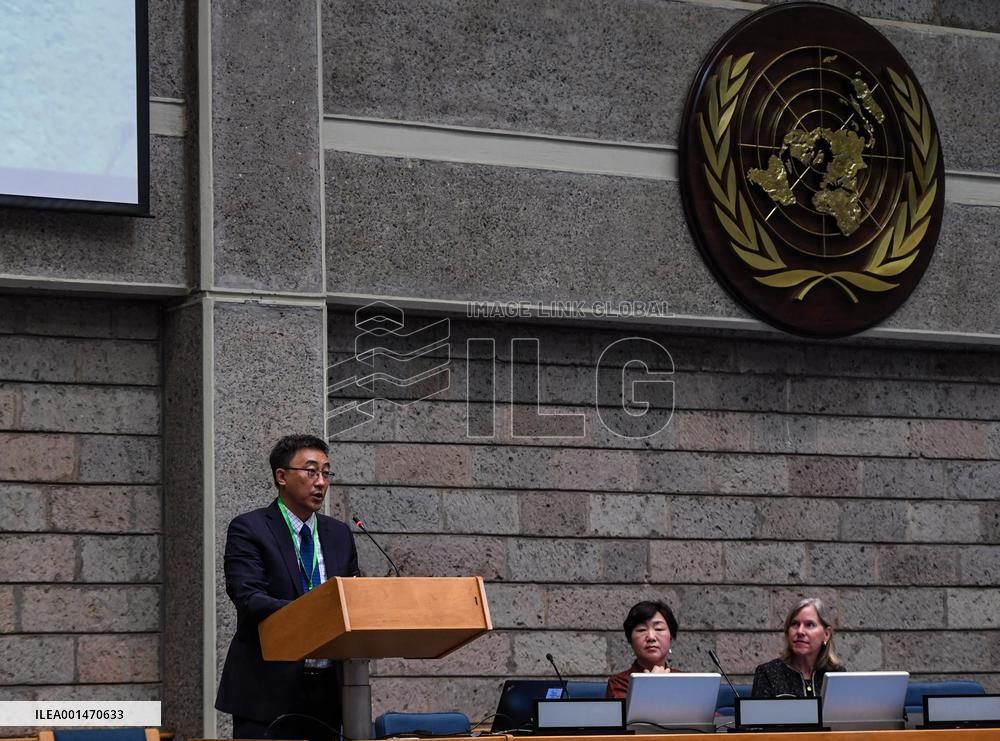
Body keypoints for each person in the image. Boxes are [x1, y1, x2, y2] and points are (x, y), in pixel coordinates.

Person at [215, 434, 361, 739]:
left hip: (328, 693)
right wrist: (319, 613)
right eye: (311, 471)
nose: (320, 482)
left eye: (326, 472)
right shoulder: (250, 528)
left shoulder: (338, 534)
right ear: (281, 476)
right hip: (267, 691)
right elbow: (249, 598)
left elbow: (353, 598)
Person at [751, 597, 844, 698]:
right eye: (795, 624)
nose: (800, 631)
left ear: (826, 634)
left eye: (809, 625)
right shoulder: (768, 674)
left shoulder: (837, 675)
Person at [606, 600, 683, 699]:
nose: (651, 637)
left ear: (670, 637)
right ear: (630, 640)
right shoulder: (619, 683)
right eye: (642, 630)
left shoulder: (685, 680)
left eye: (659, 629)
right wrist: (653, 686)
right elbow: (631, 714)